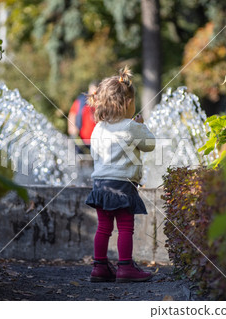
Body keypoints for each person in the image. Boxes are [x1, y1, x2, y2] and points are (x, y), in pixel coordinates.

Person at [85, 67, 156, 283]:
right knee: (125, 226)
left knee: (103, 227)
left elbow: (94, 153)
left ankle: (99, 267)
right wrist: (141, 126)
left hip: (100, 184)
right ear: (127, 103)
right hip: (123, 185)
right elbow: (150, 145)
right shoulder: (131, 126)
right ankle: (125, 267)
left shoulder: (98, 129)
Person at [68, 81, 98, 153]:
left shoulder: (103, 103)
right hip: (82, 140)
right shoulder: (81, 101)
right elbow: (72, 114)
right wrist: (72, 127)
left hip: (99, 141)